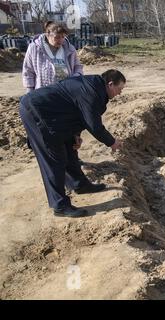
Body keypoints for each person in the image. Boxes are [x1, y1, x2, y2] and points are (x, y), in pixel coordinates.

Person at [19, 69, 125, 218]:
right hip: (37, 111)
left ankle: (79, 185)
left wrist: (75, 134)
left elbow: (76, 111)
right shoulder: (92, 92)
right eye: (119, 89)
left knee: (70, 148)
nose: (120, 93)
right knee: (55, 158)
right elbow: (93, 125)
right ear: (111, 84)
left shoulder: (94, 86)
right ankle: (60, 205)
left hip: (56, 115)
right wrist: (112, 142)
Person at [22, 21, 86, 167]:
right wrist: (29, 92)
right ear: (48, 34)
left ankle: (72, 157)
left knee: (68, 125)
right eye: (57, 37)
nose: (60, 41)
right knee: (49, 127)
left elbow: (78, 67)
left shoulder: (69, 48)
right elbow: (28, 70)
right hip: (43, 95)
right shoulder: (35, 48)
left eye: (63, 37)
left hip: (65, 94)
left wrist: (75, 78)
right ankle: (53, 159)